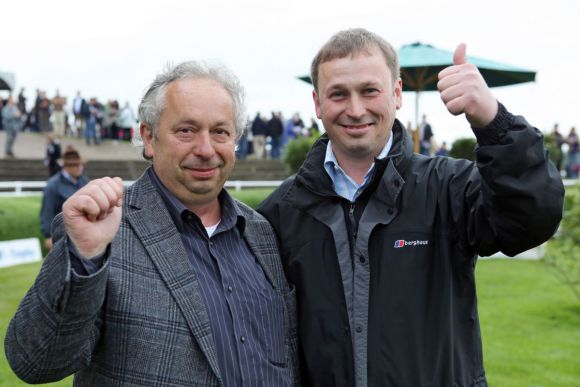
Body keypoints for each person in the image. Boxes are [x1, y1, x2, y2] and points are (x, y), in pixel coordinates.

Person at [258, 28, 564, 386]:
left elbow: (531, 218)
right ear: (317, 103)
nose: (355, 109)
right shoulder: (280, 212)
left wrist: (494, 122)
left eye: (369, 91)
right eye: (338, 94)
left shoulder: (448, 188)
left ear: (397, 93)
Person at [6, 60, 299, 386]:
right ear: (148, 137)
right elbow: (36, 362)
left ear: (235, 140)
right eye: (186, 130)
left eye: (220, 131)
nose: (205, 149)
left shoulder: (262, 232)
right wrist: (85, 258)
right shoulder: (104, 231)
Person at [39, 147, 89, 251]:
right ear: (66, 167)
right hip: (62, 235)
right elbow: (47, 210)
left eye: (80, 164)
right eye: (75, 165)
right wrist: (48, 235)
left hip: (83, 235)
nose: (79, 167)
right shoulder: (53, 185)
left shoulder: (85, 182)